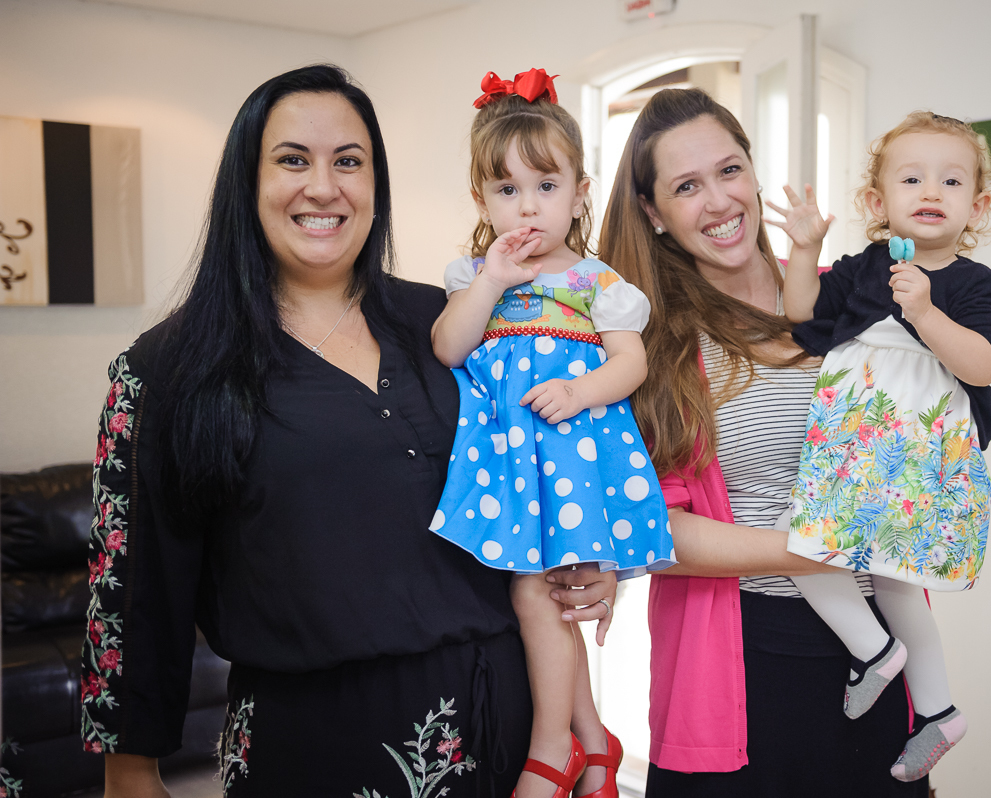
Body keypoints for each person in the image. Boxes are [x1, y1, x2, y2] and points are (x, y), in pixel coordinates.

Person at [82, 64, 616, 798]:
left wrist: (586, 557)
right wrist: (130, 772)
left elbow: (546, 454)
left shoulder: (447, 319)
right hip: (315, 754)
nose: (324, 187)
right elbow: (137, 592)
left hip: (516, 744)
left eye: (349, 162)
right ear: (247, 180)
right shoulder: (169, 369)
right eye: (293, 160)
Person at [597, 87, 928, 797]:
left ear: (752, 171)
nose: (718, 201)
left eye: (728, 171)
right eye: (686, 187)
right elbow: (649, 528)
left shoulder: (850, 300)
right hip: (742, 661)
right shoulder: (646, 348)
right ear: (653, 214)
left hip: (879, 647)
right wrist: (812, 547)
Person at [430, 69, 673, 798]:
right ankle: (594, 746)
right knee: (549, 597)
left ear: (577, 191)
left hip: (569, 459)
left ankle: (553, 748)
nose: (527, 207)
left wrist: (578, 388)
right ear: (482, 200)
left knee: (544, 597)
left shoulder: (600, 283)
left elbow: (630, 364)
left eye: (544, 187)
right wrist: (489, 284)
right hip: (508, 461)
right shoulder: (474, 274)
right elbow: (449, 346)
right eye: (506, 191)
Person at [770, 110, 991, 781]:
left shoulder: (979, 285)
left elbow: (982, 365)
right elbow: (802, 313)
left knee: (877, 571)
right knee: (806, 547)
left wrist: (928, 311)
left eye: (951, 180)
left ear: (977, 205)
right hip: (855, 440)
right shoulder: (863, 267)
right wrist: (803, 248)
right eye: (912, 178)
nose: (931, 191)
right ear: (878, 202)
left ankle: (897, 672)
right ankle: (917, 690)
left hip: (911, 452)